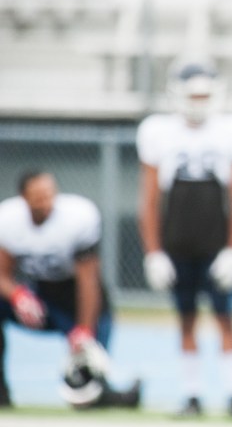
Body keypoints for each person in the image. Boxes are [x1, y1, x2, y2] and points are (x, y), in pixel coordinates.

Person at [136, 57, 232, 418]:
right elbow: (151, 201)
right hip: (178, 240)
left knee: (225, 317)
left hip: (215, 240)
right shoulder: (158, 131)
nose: (199, 101)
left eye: (205, 94)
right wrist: (153, 252)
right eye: (194, 94)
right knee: (185, 317)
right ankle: (191, 395)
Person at [0, 171, 140, 409]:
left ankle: (102, 392)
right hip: (38, 293)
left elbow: (89, 280)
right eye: (38, 196)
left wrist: (84, 329)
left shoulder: (77, 218)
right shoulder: (8, 220)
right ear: (24, 198)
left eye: (49, 194)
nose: (46, 201)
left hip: (74, 297)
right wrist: (18, 295)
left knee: (87, 392)